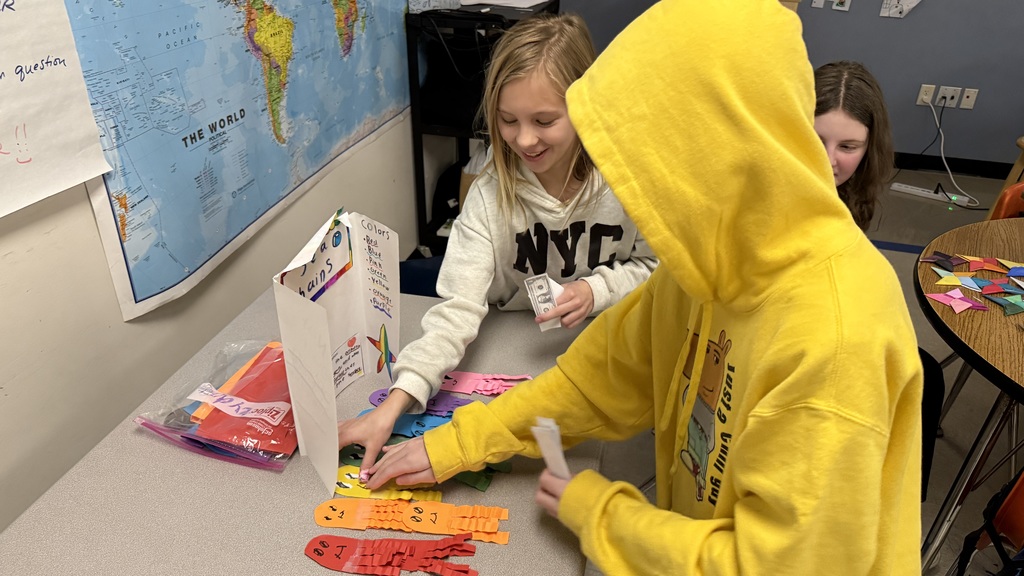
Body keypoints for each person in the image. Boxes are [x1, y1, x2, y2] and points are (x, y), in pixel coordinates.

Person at [367, 1, 924, 573]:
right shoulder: (708, 262)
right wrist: (458, 442)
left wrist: (599, 511)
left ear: (715, 154)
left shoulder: (837, 339)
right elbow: (596, 382)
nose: (634, 198)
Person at [338, 12, 657, 480]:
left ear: (587, 107)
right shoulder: (490, 196)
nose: (524, 139)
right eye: (508, 121)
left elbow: (658, 268)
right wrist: (394, 404)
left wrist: (597, 289)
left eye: (544, 120)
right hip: (511, 350)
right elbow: (457, 311)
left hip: (605, 352)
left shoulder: (631, 181)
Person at [813, 60, 946, 500]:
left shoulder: (850, 199)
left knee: (916, 376)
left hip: (829, 326)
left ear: (869, 148)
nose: (828, 161)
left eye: (848, 146)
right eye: (814, 140)